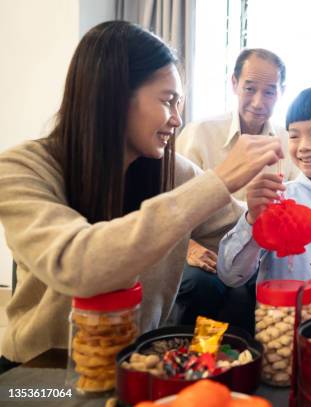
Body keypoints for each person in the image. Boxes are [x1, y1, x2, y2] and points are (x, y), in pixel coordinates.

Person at [0, 21, 282, 373]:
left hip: (140, 364)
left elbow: (239, 237)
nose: (177, 119)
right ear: (113, 95)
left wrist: (259, 216)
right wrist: (219, 180)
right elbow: (79, 264)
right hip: (43, 367)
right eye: (168, 101)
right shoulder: (20, 168)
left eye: (180, 104)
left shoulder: (174, 171)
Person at [217, 88, 311, 315]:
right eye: (294, 135)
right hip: (288, 334)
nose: (303, 146)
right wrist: (252, 218)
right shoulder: (279, 202)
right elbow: (231, 274)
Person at [173, 49, 299, 328]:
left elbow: (297, 205)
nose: (258, 102)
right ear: (234, 83)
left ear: (282, 92)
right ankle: (193, 363)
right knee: (201, 284)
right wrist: (188, 247)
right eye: (250, 89)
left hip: (259, 254)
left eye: (269, 92)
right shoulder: (200, 133)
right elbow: (174, 203)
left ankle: (248, 364)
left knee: (262, 289)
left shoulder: (288, 141)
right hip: (205, 250)